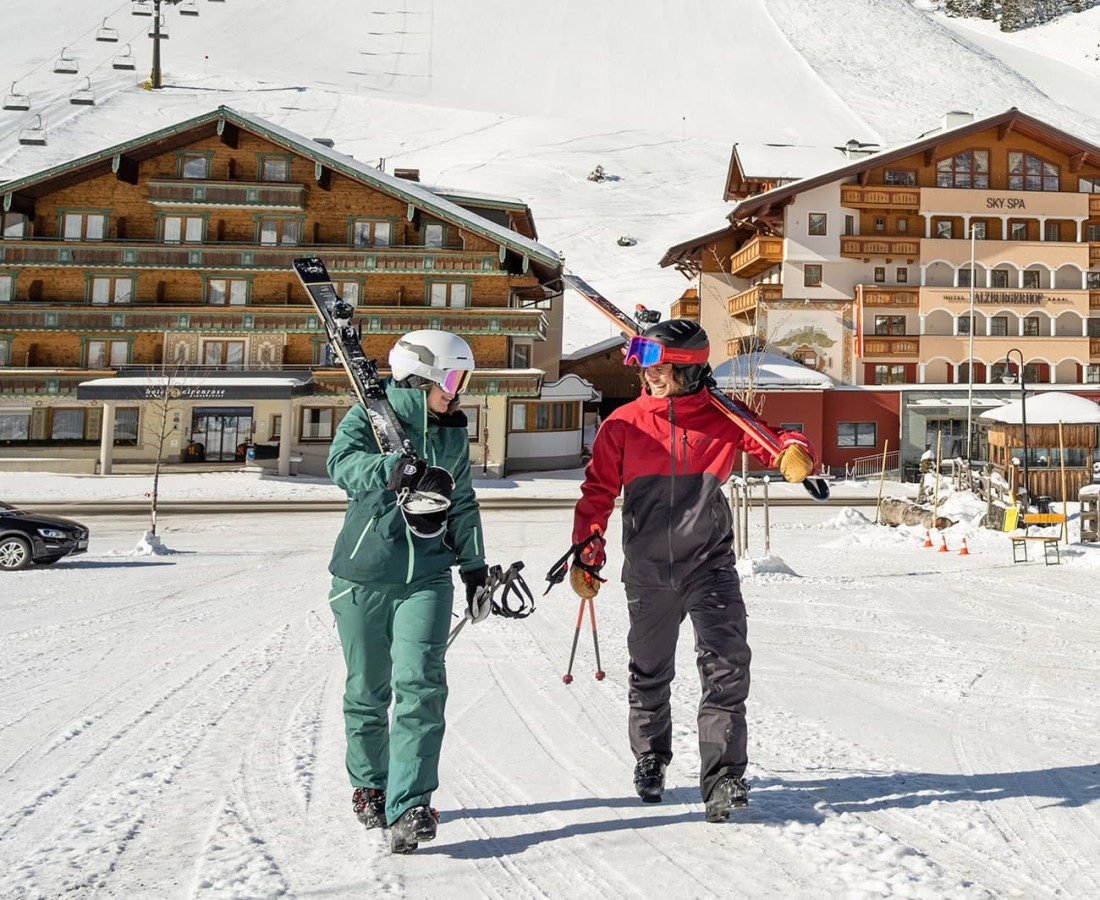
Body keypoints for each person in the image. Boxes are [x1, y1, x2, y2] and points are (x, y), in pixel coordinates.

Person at [569, 319, 817, 823]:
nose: (650, 375)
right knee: (650, 669)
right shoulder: (624, 424)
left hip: (709, 565)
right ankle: (651, 757)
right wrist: (586, 551)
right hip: (648, 569)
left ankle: (724, 777)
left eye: (660, 367)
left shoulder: (723, 417)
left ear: (686, 370)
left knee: (726, 665)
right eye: (646, 366)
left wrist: (797, 453)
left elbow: (774, 439)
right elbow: (597, 493)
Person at [326, 329, 488, 854]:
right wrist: (388, 468)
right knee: (368, 690)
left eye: (463, 379)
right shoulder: (370, 420)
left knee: (422, 688)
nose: (458, 390)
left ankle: (410, 804)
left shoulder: (452, 434)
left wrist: (475, 566)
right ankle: (370, 786)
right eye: (453, 378)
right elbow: (341, 465)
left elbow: (462, 502)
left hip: (429, 578)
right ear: (421, 378)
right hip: (364, 575)